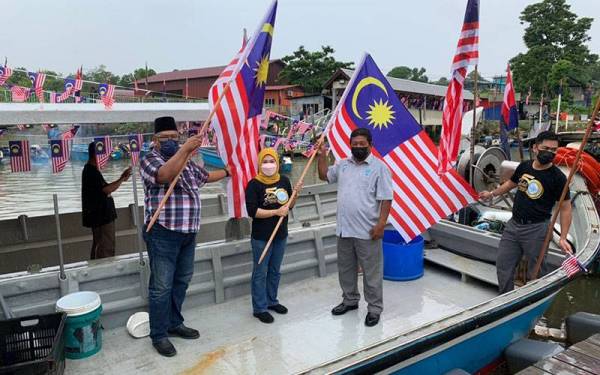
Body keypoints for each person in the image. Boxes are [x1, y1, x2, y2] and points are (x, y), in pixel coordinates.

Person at [140, 116, 231, 357]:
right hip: (162, 232)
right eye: (165, 138)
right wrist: (185, 149)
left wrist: (227, 171)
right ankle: (158, 334)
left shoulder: (189, 163)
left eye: (174, 137)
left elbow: (205, 177)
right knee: (161, 286)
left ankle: (173, 322)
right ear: (155, 140)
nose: (170, 141)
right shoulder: (149, 159)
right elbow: (164, 176)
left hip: (188, 232)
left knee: (182, 280)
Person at [480, 131, 573, 294]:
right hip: (513, 226)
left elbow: (565, 208)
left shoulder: (558, 178)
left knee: (536, 272)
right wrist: (492, 193)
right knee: (503, 265)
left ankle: (532, 300)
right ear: (536, 148)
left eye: (553, 150)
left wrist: (563, 237)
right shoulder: (524, 166)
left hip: (537, 229)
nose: (549, 153)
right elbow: (510, 184)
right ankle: (506, 298)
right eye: (546, 148)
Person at [317, 127, 393, 327]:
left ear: (370, 145)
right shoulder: (343, 165)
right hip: (344, 229)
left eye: (362, 144)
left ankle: (374, 308)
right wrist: (321, 155)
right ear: (350, 145)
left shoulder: (380, 168)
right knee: (346, 269)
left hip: (368, 231)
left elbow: (386, 199)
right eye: (355, 144)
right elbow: (324, 175)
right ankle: (350, 300)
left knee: (371, 273)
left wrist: (381, 225)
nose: (358, 147)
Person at [245, 148, 302, 324]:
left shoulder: (284, 180)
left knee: (275, 271)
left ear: (277, 163)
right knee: (260, 272)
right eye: (265, 161)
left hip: (280, 234)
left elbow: (288, 206)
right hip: (262, 236)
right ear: (259, 163)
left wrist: (296, 193)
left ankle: (272, 301)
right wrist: (275, 211)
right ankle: (259, 308)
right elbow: (252, 211)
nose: (268, 165)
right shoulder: (254, 184)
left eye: (271, 161)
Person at [82, 142, 131, 259]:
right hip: (101, 217)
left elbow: (103, 188)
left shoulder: (92, 171)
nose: (107, 157)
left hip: (100, 215)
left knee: (99, 243)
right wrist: (121, 179)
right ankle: (104, 271)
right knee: (105, 246)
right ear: (96, 154)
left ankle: (97, 269)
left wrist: (121, 179)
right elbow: (107, 189)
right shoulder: (91, 171)